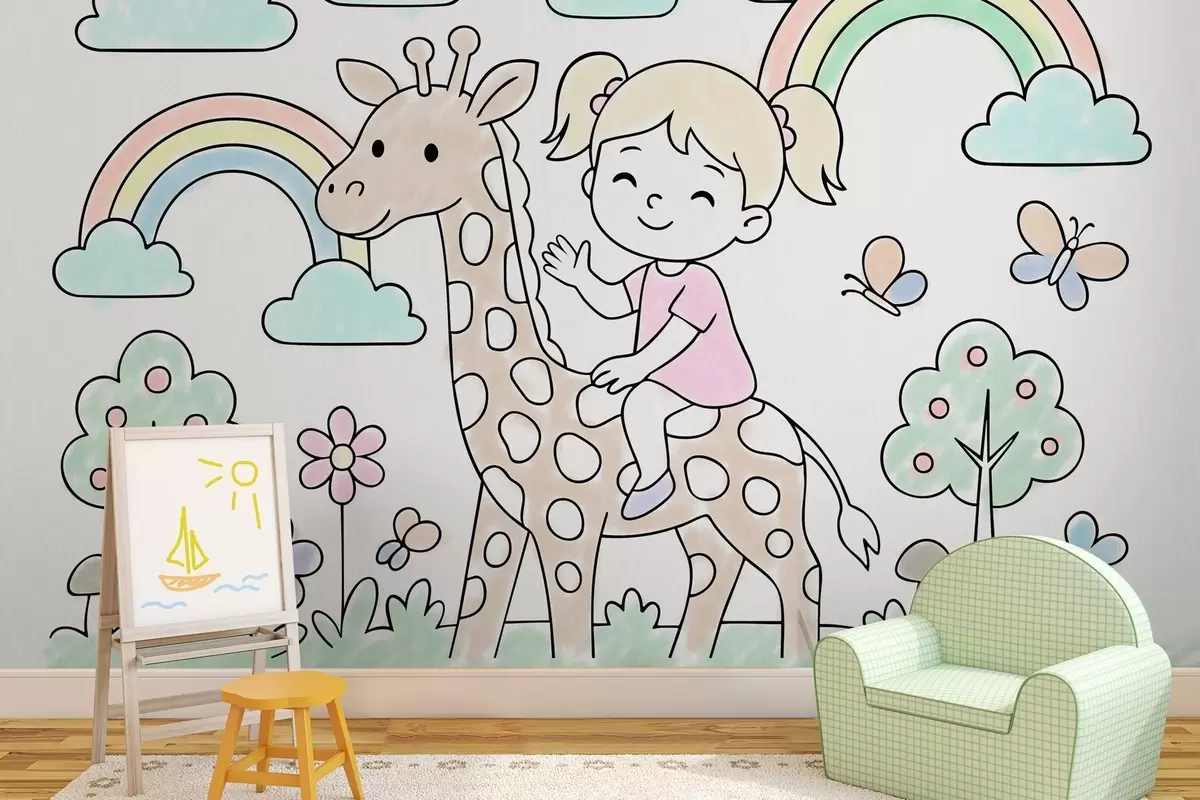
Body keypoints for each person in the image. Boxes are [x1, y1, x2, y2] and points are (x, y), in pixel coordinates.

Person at [541, 54, 843, 520]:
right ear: (591, 180)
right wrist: (582, 278)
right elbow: (616, 303)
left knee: (640, 403)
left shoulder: (699, 282)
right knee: (608, 401)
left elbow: (677, 336)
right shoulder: (650, 274)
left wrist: (636, 366)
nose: (654, 202)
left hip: (708, 385)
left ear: (748, 221)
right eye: (626, 177)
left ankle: (654, 476)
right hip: (663, 375)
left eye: (699, 195)